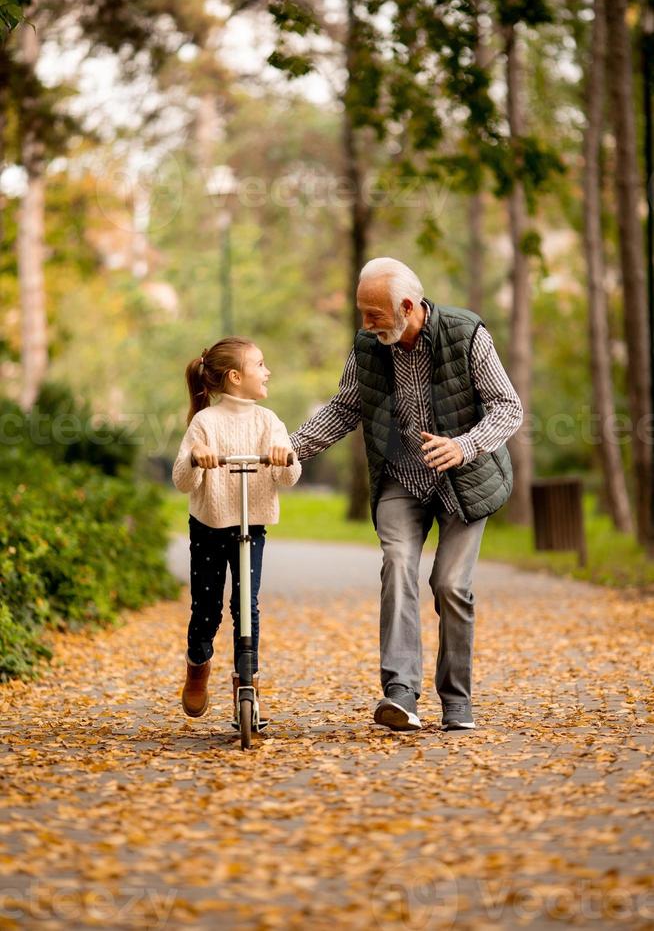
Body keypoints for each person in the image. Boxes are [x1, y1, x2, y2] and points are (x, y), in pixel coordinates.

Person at [289, 258, 523, 732]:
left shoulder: (466, 334)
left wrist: (463, 445)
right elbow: (344, 408)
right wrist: (290, 449)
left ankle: (456, 700)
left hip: (466, 476)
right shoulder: (369, 346)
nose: (365, 323)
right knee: (397, 563)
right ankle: (400, 693)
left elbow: (508, 408)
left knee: (451, 585)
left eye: (373, 314)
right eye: (362, 312)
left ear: (408, 307)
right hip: (402, 475)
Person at [172, 336, 301, 728]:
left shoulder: (269, 421)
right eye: (260, 364)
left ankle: (248, 687)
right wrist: (197, 458)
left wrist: (285, 454)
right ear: (235, 376)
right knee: (207, 609)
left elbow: (290, 476)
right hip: (210, 525)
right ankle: (198, 665)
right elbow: (181, 480)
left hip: (251, 526)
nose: (267, 371)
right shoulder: (205, 422)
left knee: (247, 605)